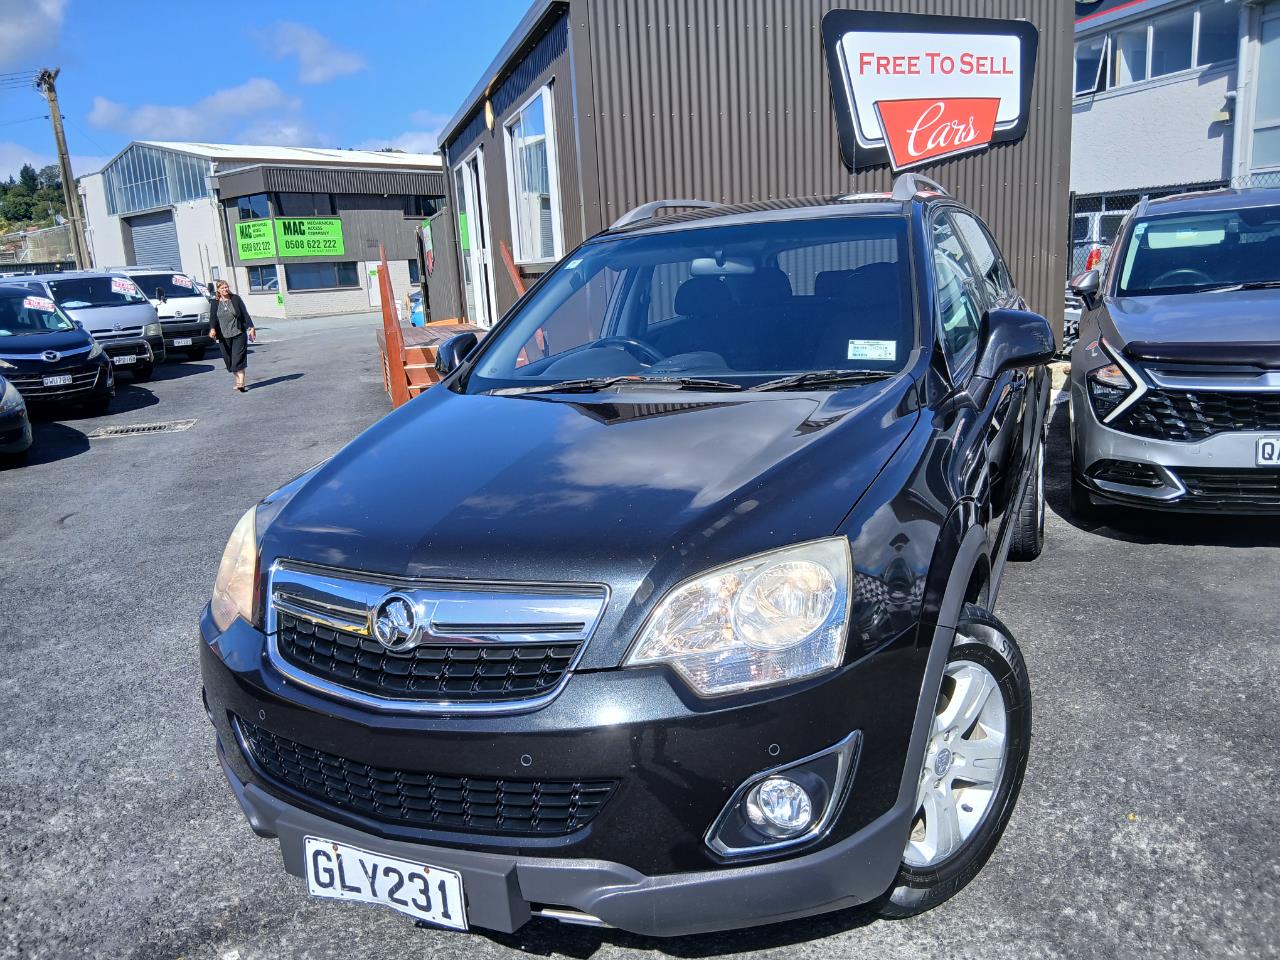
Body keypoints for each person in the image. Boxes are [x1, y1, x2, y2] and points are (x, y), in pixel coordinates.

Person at [207, 280, 256, 392]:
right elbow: (213, 318)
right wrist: (212, 329)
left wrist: (251, 327)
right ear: (218, 290)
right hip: (223, 336)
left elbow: (244, 314)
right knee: (229, 360)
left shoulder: (235, 299)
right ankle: (237, 381)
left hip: (238, 333)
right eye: (222, 288)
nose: (225, 290)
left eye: (226, 287)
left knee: (238, 358)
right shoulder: (215, 302)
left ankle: (241, 383)